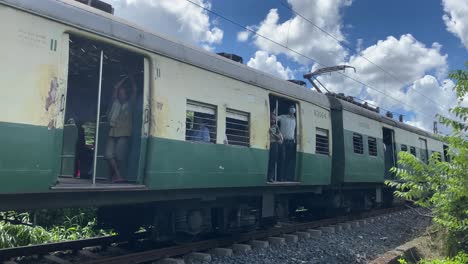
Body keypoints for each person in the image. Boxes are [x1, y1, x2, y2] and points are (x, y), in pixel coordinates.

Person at [105, 74, 137, 183]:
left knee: (119, 156)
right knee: (108, 155)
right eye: (119, 93)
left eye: (122, 93)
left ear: (126, 95)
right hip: (113, 131)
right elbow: (115, 88)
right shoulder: (115, 103)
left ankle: (116, 176)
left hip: (124, 133)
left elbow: (134, 90)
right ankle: (118, 175)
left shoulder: (130, 104)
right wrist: (124, 78)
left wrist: (131, 79)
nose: (120, 95)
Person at [277, 105, 297, 182]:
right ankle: (280, 177)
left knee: (288, 160)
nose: (292, 109)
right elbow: (274, 119)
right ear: (288, 109)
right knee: (282, 159)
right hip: (283, 141)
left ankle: (286, 177)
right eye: (291, 108)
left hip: (291, 141)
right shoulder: (283, 117)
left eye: (293, 108)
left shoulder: (295, 119)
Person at [267, 112, 283, 182]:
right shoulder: (266, 124)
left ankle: (270, 177)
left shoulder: (276, 126)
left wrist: (272, 133)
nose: (272, 120)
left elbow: (279, 137)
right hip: (266, 145)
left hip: (274, 145)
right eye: (271, 119)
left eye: (274, 119)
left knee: (272, 161)